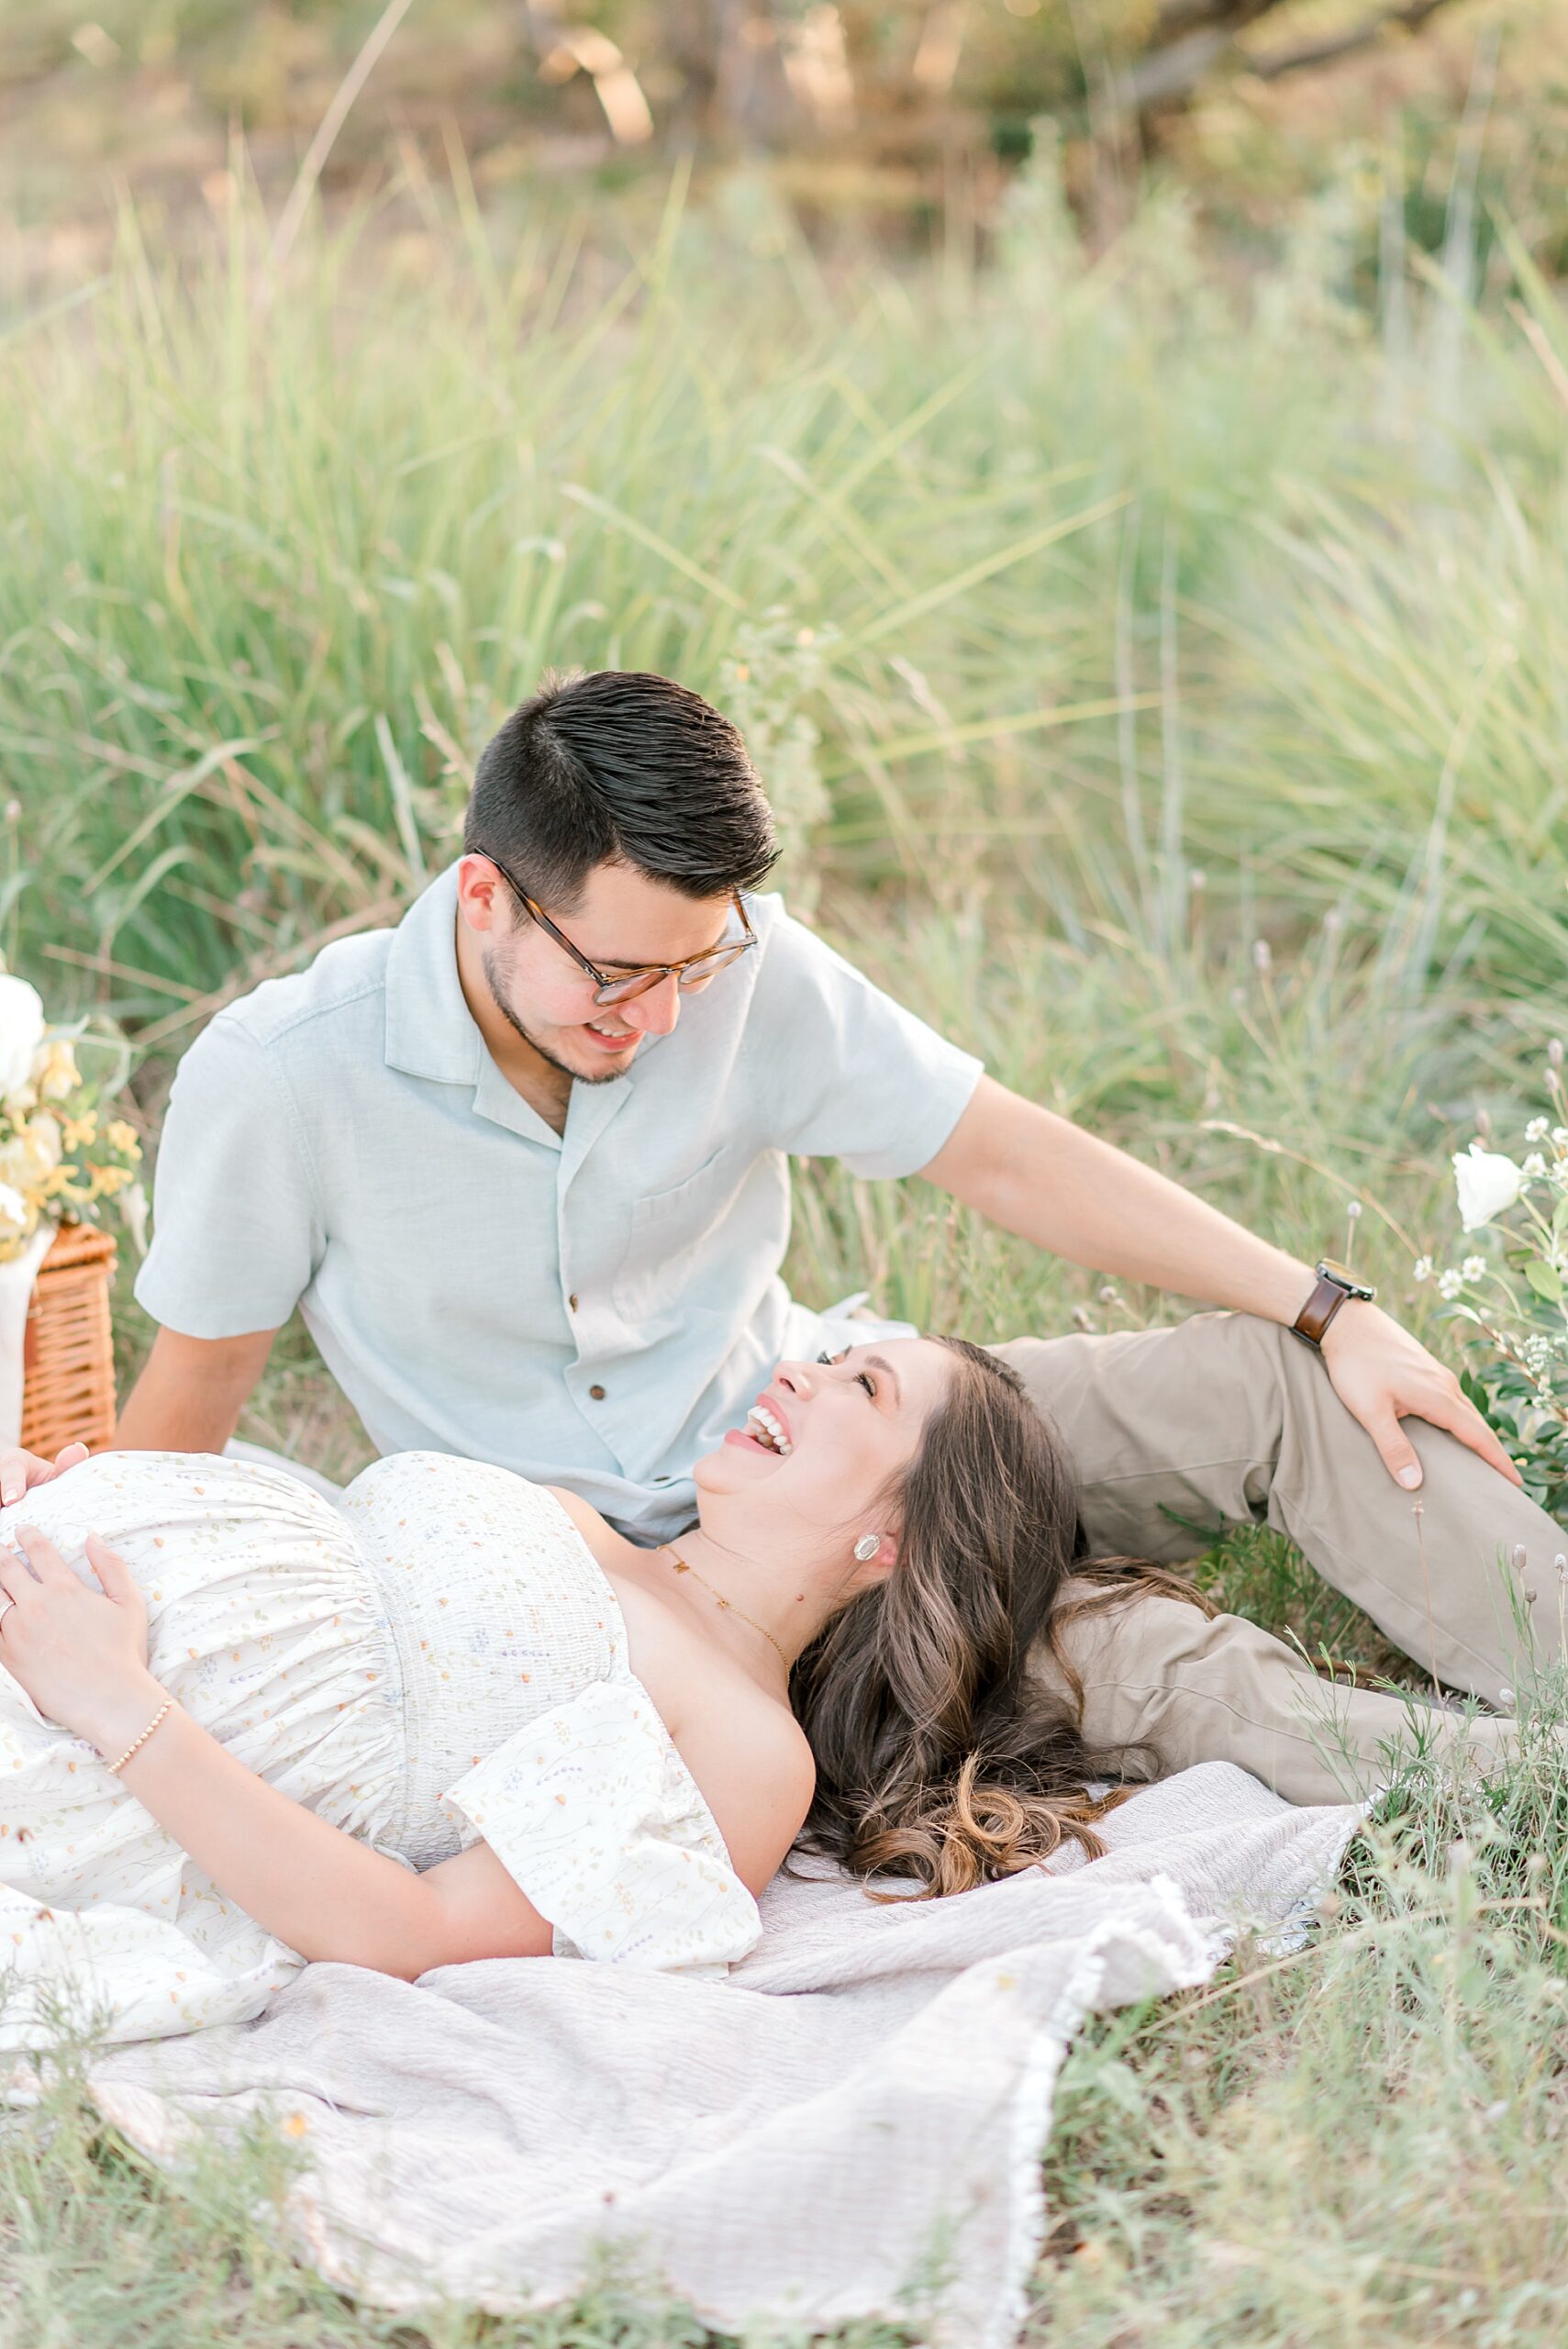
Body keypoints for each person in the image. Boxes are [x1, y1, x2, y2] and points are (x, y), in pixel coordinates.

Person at [109, 671, 1562, 1806]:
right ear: (487, 894)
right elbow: (187, 1416)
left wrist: (1327, 1309)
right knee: (1149, 1663)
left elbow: (1001, 1151)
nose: (666, 1017)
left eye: (699, 965)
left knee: (1271, 1380)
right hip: (684, 1604)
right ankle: (1521, 1794)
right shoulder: (283, 1077)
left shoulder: (736, 966)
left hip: (837, 1413)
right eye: (617, 977)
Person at [0, 1339, 1140, 2051]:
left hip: (79, 1754)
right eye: (830, 1353)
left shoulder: (745, 1745)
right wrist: (94, 1502)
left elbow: (414, 1935)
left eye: (863, 1385)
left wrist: (114, 1703)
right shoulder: (580, 1520)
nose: (796, 1366)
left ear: (894, 1536)